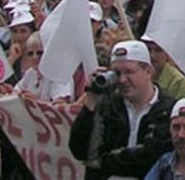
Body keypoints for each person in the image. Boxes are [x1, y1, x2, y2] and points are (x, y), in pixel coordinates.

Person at [69, 40, 176, 180]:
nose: (123, 80)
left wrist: (102, 162)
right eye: (117, 73)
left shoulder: (168, 108)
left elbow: (151, 154)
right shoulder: (108, 105)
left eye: (129, 72)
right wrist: (91, 102)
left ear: (148, 71)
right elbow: (80, 150)